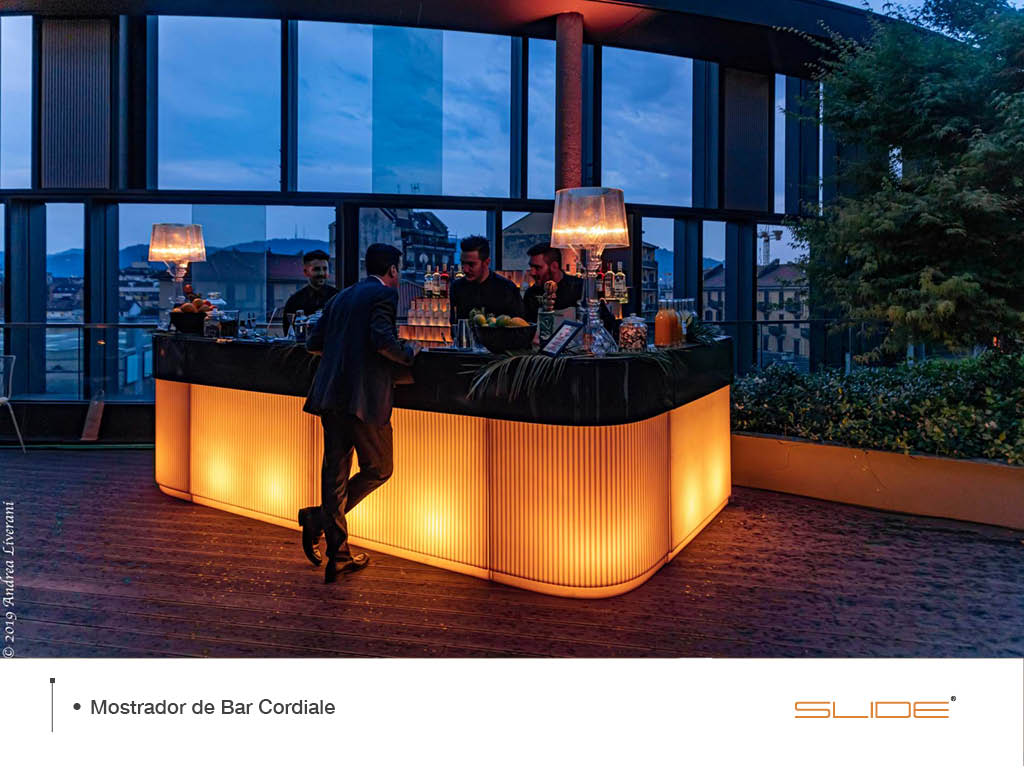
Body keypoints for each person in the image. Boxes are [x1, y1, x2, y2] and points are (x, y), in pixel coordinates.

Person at [298, 243, 419, 584]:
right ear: (392, 270)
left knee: (334, 473)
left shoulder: (341, 296)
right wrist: (410, 352)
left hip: (330, 394)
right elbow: (382, 341)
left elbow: (313, 343)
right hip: (364, 398)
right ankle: (319, 522)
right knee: (379, 468)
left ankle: (337, 554)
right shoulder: (385, 295)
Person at [449, 235, 526, 322]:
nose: (465, 269)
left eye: (471, 264)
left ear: (486, 262)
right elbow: (454, 322)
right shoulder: (457, 287)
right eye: (463, 263)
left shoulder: (507, 288)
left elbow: (519, 324)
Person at [522, 242, 583, 322]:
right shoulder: (531, 294)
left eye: (537, 268)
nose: (532, 273)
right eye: (531, 267)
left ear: (554, 266)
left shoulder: (579, 288)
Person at [282, 250, 338, 335]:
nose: (322, 273)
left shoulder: (337, 297)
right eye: (316, 269)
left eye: (325, 269)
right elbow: (288, 334)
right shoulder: (294, 301)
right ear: (306, 272)